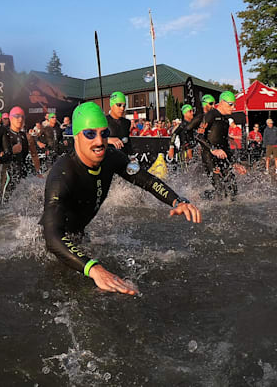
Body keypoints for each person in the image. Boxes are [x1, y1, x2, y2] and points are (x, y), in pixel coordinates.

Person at [40, 102, 201, 295]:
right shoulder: (62, 175)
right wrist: (94, 269)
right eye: (90, 134)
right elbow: (51, 237)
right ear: (76, 137)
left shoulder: (112, 157)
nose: (99, 142)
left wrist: (176, 200)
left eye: (104, 133)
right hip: (55, 248)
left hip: (79, 238)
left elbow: (146, 180)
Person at [198, 91, 245, 200]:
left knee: (233, 190)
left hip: (222, 156)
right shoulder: (211, 115)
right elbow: (199, 135)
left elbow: (225, 145)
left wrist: (234, 163)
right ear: (222, 102)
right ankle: (201, 198)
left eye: (234, 104)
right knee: (221, 191)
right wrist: (213, 150)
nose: (233, 107)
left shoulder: (225, 119)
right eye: (230, 104)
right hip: (210, 156)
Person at [0, 106, 41, 204]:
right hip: (8, 174)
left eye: (22, 117)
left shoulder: (27, 136)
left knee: (23, 203)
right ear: (10, 118)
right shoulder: (3, 134)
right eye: (17, 116)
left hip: (23, 173)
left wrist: (37, 172)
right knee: (4, 203)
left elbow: (34, 155)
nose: (20, 119)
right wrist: (11, 151)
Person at [105, 91, 133, 156]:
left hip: (123, 158)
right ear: (111, 105)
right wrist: (108, 140)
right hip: (107, 159)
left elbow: (128, 142)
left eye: (124, 106)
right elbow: (92, 140)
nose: (122, 108)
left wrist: (131, 155)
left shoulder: (127, 122)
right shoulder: (103, 121)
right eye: (119, 105)